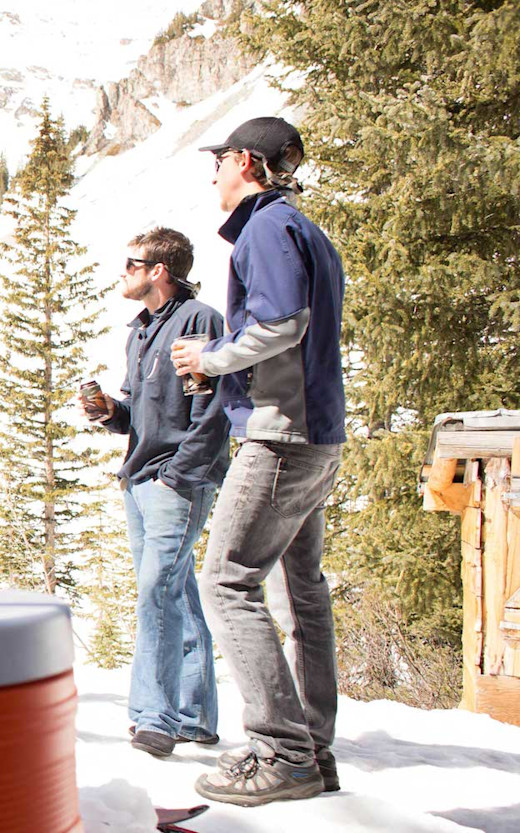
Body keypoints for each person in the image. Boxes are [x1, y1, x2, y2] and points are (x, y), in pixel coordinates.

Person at [170, 117, 347, 806]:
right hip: (317, 435)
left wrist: (209, 356)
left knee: (227, 582)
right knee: (302, 592)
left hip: (280, 440)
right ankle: (314, 750)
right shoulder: (305, 229)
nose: (213, 174)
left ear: (246, 161)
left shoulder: (267, 228)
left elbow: (282, 323)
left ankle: (281, 751)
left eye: (217, 161)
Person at [84, 227, 229, 759]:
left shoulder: (200, 322)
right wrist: (111, 412)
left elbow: (213, 409)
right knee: (176, 591)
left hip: (174, 480)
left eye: (131, 264)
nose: (123, 273)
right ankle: (195, 715)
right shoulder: (141, 332)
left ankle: (155, 718)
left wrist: (178, 476)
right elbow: (138, 413)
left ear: (158, 271)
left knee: (156, 592)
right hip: (140, 477)